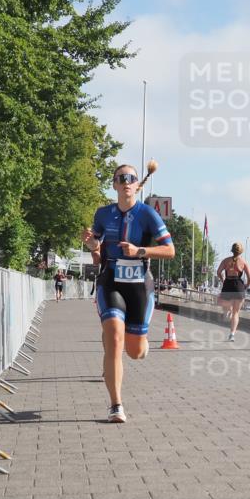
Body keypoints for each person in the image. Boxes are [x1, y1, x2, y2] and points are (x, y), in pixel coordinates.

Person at [81, 164, 175, 424]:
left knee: (135, 352)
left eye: (130, 178)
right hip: (110, 280)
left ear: (136, 185)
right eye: (121, 178)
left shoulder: (148, 214)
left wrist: (140, 251)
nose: (126, 182)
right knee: (114, 337)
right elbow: (97, 246)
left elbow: (170, 250)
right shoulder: (103, 213)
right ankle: (116, 405)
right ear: (114, 185)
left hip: (138, 285)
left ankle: (135, 342)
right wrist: (91, 243)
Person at [216, 242, 250, 341]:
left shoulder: (225, 261)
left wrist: (222, 279)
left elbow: (218, 272)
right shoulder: (243, 262)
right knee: (236, 313)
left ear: (232, 250)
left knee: (224, 305)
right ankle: (232, 334)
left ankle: (228, 311)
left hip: (228, 284)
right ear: (241, 251)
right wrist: (246, 286)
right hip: (239, 286)